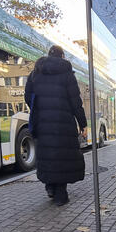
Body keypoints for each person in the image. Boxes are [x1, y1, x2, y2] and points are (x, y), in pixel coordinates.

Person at [25, 45, 87, 206]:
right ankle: (61, 194)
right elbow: (76, 102)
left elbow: (28, 96)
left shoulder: (35, 74)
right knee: (62, 156)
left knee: (47, 154)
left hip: (42, 123)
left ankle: (50, 187)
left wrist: (41, 110)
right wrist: (83, 123)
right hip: (63, 123)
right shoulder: (66, 74)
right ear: (62, 56)